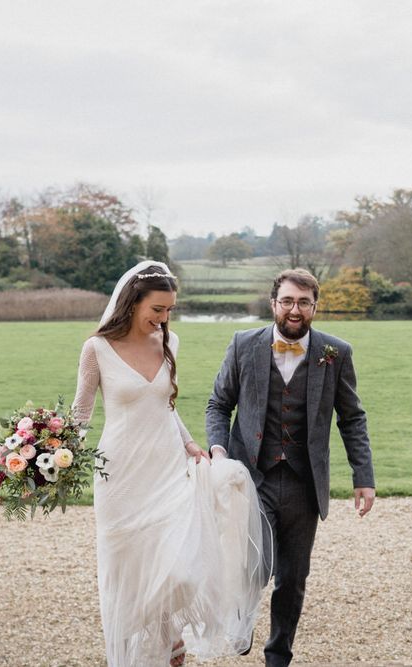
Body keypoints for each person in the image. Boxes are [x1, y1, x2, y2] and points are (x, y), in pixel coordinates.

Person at [73, 260, 270, 667]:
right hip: (120, 473)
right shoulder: (97, 349)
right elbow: (80, 414)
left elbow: (165, 406)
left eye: (169, 311)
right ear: (132, 303)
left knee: (179, 566)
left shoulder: (168, 341)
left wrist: (191, 443)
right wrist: (54, 459)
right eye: (157, 310)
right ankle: (146, 649)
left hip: (166, 466)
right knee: (130, 566)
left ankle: (169, 635)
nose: (163, 319)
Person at [206, 268, 376, 667]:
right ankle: (241, 620)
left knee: (293, 577)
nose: (294, 309)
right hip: (252, 475)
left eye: (303, 302)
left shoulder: (336, 353)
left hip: (304, 481)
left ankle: (279, 654)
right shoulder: (244, 344)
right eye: (287, 301)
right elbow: (218, 403)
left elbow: (352, 418)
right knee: (254, 564)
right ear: (273, 304)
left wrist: (362, 478)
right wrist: (217, 450)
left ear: (314, 306)